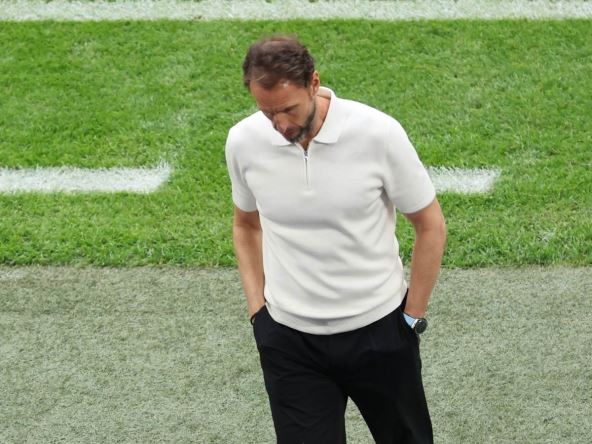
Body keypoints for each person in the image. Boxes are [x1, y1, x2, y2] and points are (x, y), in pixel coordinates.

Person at [225, 35, 446, 444]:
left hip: (379, 332)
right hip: (289, 342)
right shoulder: (244, 142)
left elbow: (430, 224)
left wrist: (412, 317)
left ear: (313, 83)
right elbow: (246, 226)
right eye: (268, 112)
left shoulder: (378, 134)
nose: (281, 125)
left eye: (288, 109)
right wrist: (258, 313)